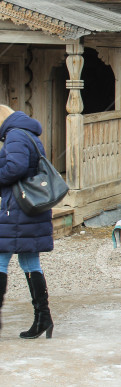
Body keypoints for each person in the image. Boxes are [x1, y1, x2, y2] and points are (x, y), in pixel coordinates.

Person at [0, 104, 55, 339]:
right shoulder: (27, 133)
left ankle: (42, 317)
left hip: (16, 209)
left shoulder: (14, 135)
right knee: (30, 259)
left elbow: (16, 167)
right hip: (27, 209)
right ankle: (43, 318)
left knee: (1, 259)